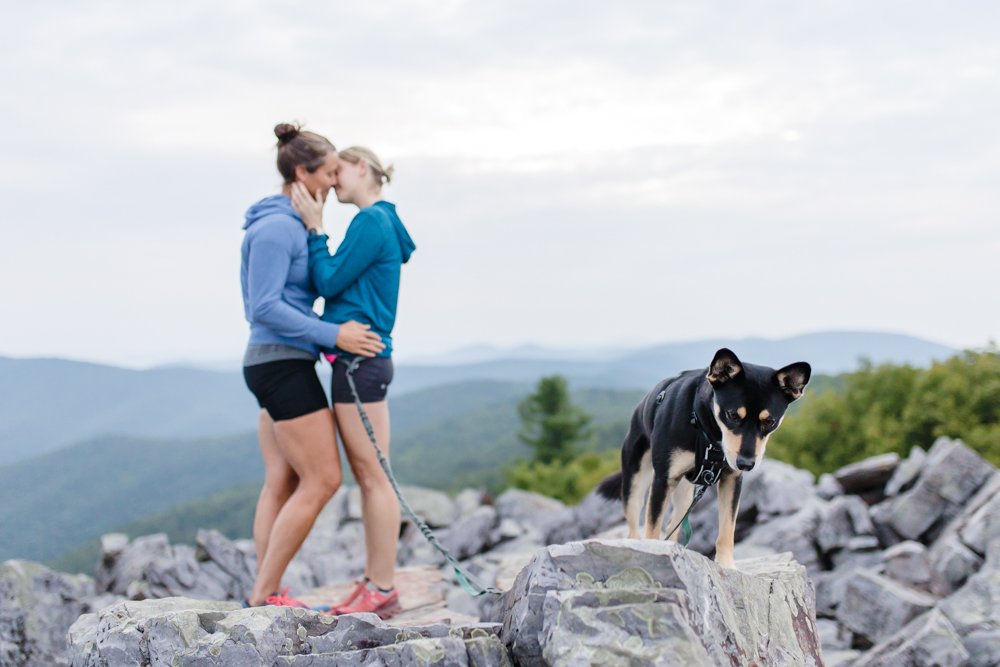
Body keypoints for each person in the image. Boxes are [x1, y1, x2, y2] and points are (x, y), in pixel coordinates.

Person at [241, 125, 385, 608]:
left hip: (279, 362)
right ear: (301, 172)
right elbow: (264, 306)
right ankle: (265, 593)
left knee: (281, 481)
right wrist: (334, 334)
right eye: (326, 172)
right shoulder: (278, 227)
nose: (331, 182)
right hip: (280, 365)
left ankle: (268, 592)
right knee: (324, 479)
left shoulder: (290, 222)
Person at [290, 146, 415, 619]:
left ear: (363, 166)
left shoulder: (371, 221)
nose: (332, 180)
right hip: (361, 363)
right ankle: (374, 581)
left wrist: (316, 229)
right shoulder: (383, 222)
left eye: (338, 170)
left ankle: (381, 587)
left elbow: (327, 280)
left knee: (372, 476)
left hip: (360, 365)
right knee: (370, 476)